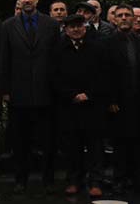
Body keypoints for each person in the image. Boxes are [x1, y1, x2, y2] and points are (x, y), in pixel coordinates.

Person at [0, 0, 59, 192]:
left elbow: (56, 59)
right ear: (19, 0)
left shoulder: (51, 25)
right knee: (20, 142)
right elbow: (4, 59)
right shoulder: (8, 26)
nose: (26, 0)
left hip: (45, 93)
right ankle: (20, 180)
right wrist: (5, 90)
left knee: (47, 142)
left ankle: (48, 180)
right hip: (19, 93)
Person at [51, 13, 111, 197]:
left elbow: (104, 75)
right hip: (69, 106)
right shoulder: (58, 49)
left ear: (85, 27)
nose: (76, 30)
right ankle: (74, 180)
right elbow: (54, 77)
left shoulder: (98, 47)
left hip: (93, 106)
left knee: (95, 146)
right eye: (72, 27)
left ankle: (95, 181)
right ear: (66, 29)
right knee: (72, 146)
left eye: (79, 26)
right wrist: (71, 95)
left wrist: (89, 94)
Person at [105, 3, 140, 193]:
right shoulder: (107, 43)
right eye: (121, 15)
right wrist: (110, 100)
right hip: (118, 104)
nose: (124, 18)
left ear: (134, 19)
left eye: (128, 15)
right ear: (115, 19)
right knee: (120, 144)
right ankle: (119, 179)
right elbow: (104, 75)